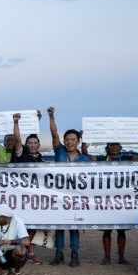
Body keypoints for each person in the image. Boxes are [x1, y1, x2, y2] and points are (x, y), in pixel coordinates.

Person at [47, 106, 90, 266]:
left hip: (76, 197)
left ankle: (74, 254)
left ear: (78, 141)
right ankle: (59, 254)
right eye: (67, 139)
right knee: (59, 226)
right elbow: (54, 133)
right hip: (59, 195)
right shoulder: (59, 151)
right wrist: (51, 116)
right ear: (64, 141)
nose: (70, 142)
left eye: (73, 139)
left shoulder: (84, 159)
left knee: (74, 226)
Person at [100, 142, 130, 265]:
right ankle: (107, 257)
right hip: (106, 199)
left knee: (121, 231)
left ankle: (121, 257)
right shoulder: (102, 159)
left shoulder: (127, 159)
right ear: (107, 147)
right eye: (111, 145)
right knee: (107, 231)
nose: (114, 147)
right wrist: (85, 140)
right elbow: (87, 156)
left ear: (120, 146)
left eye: (116, 144)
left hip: (121, 199)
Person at [0, 205, 31, 275]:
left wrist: (7, 241)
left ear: (5, 217)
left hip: (12, 252)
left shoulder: (17, 221)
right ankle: (7, 269)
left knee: (20, 250)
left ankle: (15, 271)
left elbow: (26, 242)